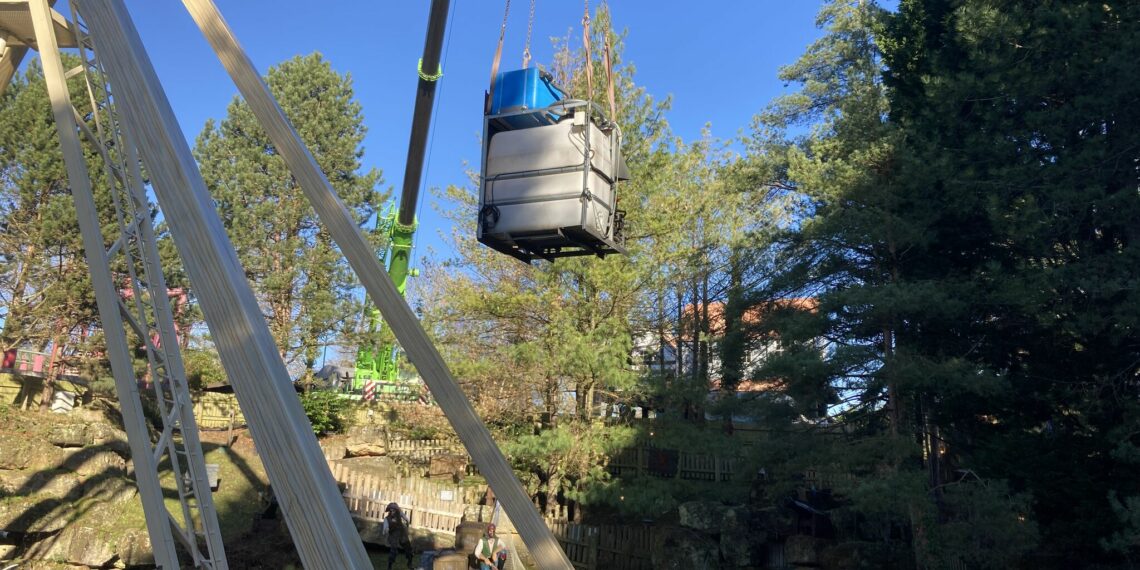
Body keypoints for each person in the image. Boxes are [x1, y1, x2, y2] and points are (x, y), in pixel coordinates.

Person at [383, 502, 413, 570]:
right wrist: (386, 530)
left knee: (408, 548)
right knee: (393, 550)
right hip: (393, 534)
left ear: (396, 510)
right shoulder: (387, 519)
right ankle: (389, 566)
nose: (392, 511)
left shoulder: (400, 514)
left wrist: (407, 524)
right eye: (391, 510)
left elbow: (407, 520)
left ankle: (409, 563)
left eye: (394, 510)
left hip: (402, 533)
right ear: (389, 510)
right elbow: (385, 528)